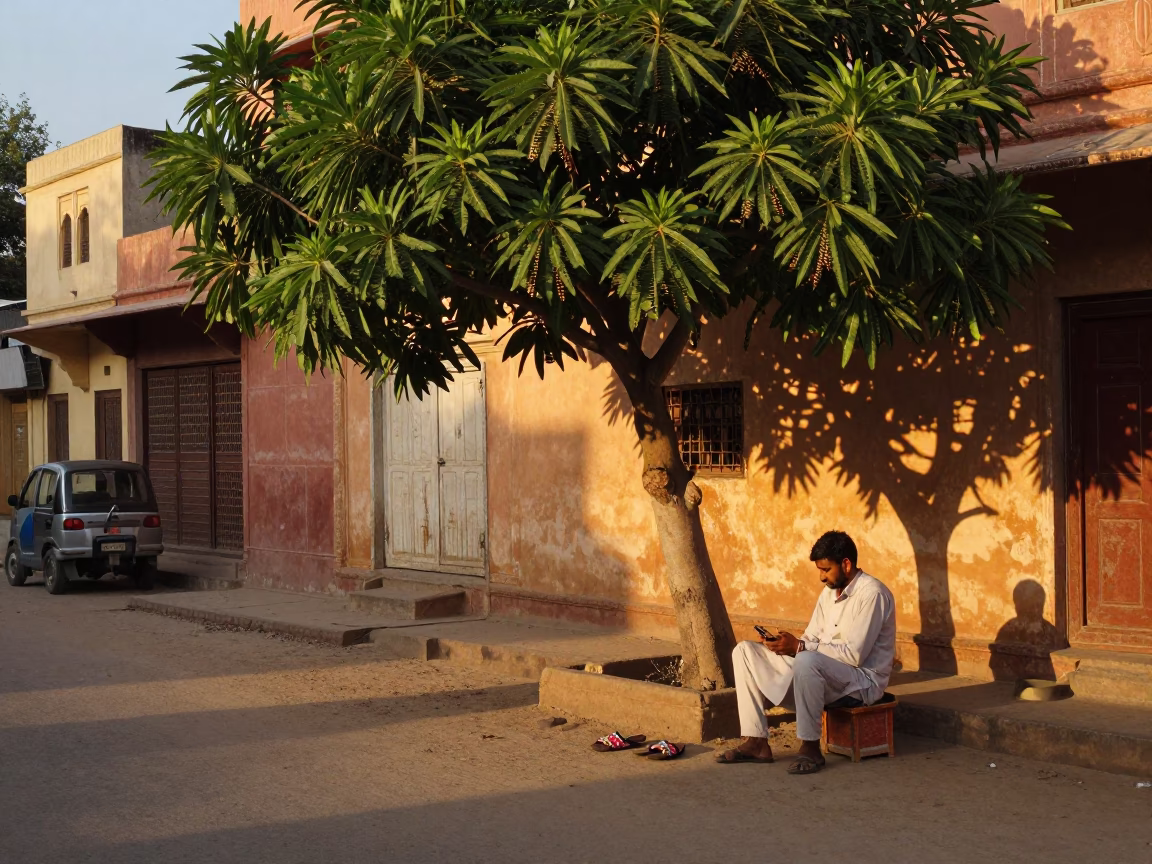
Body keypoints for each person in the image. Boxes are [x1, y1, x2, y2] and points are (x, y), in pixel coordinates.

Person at [716, 530, 896, 774]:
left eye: (826, 570)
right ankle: (756, 741)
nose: (822, 577)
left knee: (807, 659)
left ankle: (810, 747)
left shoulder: (873, 594)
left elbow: (854, 656)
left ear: (846, 564)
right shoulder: (829, 593)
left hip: (861, 682)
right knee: (745, 652)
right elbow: (811, 638)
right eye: (820, 571)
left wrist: (800, 648)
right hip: (822, 673)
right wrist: (784, 645)